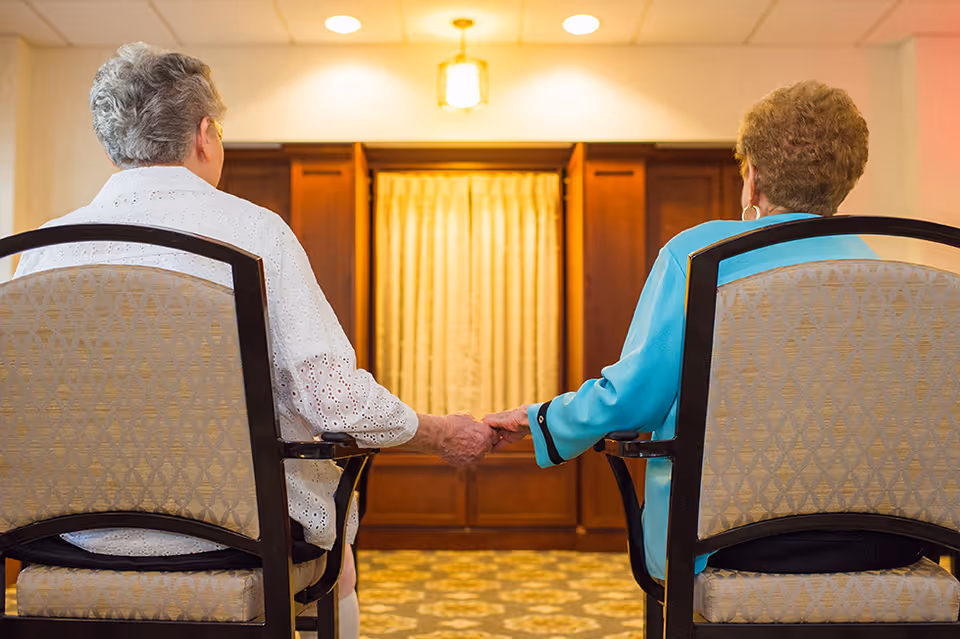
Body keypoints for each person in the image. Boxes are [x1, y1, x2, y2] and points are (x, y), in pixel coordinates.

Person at [13, 42, 497, 637]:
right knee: (337, 550)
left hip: (72, 531)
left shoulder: (41, 251)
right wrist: (437, 432)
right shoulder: (252, 232)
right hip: (240, 531)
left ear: (111, 144)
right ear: (205, 134)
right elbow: (334, 401)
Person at [485, 80, 926, 580]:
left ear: (752, 178)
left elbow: (634, 401)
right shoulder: (893, 275)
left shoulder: (702, 256)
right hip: (889, 541)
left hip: (729, 543)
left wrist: (542, 419)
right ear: (845, 181)